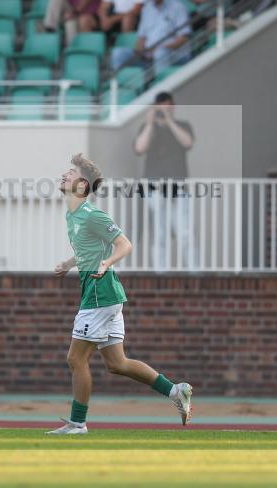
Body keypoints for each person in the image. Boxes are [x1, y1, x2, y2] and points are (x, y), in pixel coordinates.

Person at [48, 153, 193, 434]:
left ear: (82, 185)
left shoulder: (92, 215)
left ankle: (78, 423)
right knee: (117, 363)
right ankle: (176, 391)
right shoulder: (73, 214)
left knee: (76, 359)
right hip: (105, 295)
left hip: (101, 294)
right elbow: (88, 250)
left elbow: (125, 244)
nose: (64, 175)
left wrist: (107, 262)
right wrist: (68, 264)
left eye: (71, 172)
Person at [133, 92, 196, 270]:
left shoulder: (182, 125)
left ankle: (195, 271)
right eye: (160, 107)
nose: (164, 110)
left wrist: (169, 121)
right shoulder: (148, 127)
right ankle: (161, 272)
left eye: (167, 106)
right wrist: (151, 123)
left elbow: (188, 143)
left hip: (178, 187)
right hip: (154, 188)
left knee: (185, 232)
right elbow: (139, 148)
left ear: (173, 106)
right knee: (159, 234)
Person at [110, 0, 190, 74]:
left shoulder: (178, 6)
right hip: (149, 55)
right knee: (118, 53)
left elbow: (184, 38)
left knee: (161, 54)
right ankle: (118, 86)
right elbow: (141, 38)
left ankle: (161, 85)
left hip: (174, 54)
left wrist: (161, 49)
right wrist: (140, 51)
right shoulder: (147, 8)